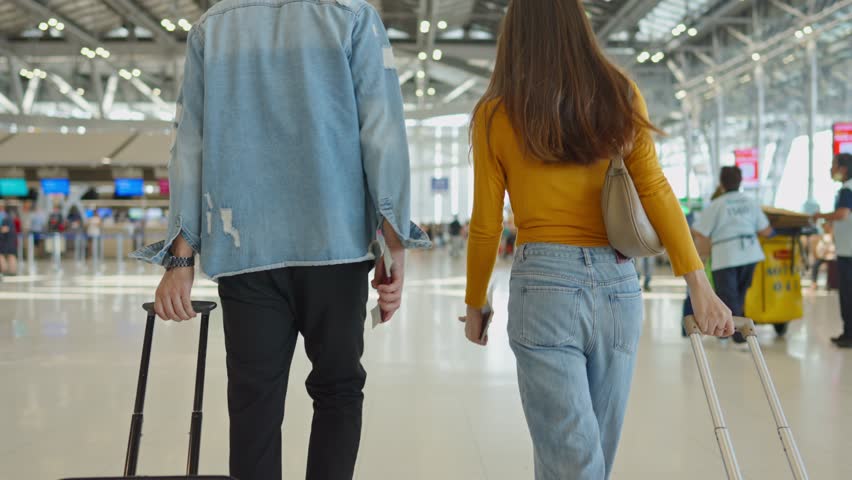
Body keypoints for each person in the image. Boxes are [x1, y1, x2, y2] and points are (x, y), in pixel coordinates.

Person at [130, 1, 429, 479]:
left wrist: (180, 260)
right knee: (337, 391)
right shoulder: (350, 16)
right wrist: (393, 248)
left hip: (246, 250)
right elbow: (382, 133)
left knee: (254, 404)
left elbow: (189, 143)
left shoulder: (214, 27)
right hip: (335, 243)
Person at [459, 1, 734, 478]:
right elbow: (655, 190)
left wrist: (476, 303)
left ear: (514, 39)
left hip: (543, 288)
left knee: (573, 462)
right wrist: (699, 284)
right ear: (580, 30)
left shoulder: (496, 114)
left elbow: (486, 223)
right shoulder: (619, 94)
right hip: (618, 287)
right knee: (587, 463)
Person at [692, 166, 774, 343]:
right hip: (750, 254)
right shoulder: (750, 202)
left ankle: (736, 335)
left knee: (729, 295)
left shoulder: (717, 204)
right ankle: (737, 332)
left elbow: (699, 231)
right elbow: (766, 231)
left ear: (721, 183)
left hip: (726, 255)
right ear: (740, 181)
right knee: (742, 293)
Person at [815, 153, 852, 347]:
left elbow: (843, 214)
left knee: (847, 293)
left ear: (843, 169)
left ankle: (849, 334)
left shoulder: (846, 190)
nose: (831, 170)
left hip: (848, 252)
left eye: (834, 165)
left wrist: (820, 215)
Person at [0, 202, 18, 276]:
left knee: (1, 255)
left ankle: (4, 270)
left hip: (5, 240)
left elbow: (5, 229)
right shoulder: (8, 216)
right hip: (11, 240)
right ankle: (12, 271)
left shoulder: (4, 217)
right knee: (11, 255)